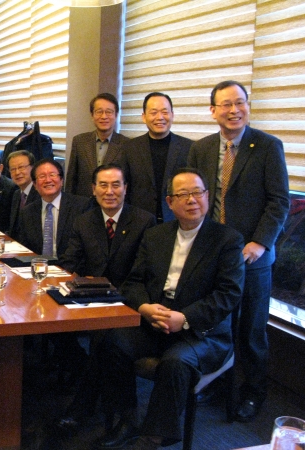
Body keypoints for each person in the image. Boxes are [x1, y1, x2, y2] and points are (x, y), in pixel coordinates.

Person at [70, 168, 245, 450]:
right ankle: (127, 419)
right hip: (157, 320)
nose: (191, 200)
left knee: (175, 362)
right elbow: (134, 281)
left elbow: (228, 295)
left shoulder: (227, 240)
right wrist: (144, 307)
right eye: (182, 194)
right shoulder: (157, 236)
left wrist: (185, 318)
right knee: (111, 340)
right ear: (170, 201)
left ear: (207, 196)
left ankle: (153, 438)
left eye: (197, 192)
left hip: (202, 332)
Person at [188, 80, 290, 422]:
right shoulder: (200, 149)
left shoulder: (267, 146)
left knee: (251, 330)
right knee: (217, 326)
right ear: (213, 110)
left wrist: (260, 243)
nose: (234, 110)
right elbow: (196, 197)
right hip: (213, 253)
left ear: (247, 105)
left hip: (253, 257)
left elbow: (279, 202)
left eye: (240, 103)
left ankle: (253, 392)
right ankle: (220, 383)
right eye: (226, 105)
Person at [59, 164, 156, 287]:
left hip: (128, 294)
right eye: (103, 185)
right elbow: (70, 261)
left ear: (125, 188)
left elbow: (143, 270)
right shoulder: (83, 222)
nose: (109, 192)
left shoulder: (144, 222)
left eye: (116, 185)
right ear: (94, 189)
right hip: (91, 291)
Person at [116, 92, 193, 223]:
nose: (160, 117)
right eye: (153, 113)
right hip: (138, 221)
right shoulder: (129, 148)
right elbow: (124, 187)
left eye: (165, 112)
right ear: (144, 117)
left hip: (177, 220)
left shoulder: (189, 147)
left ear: (172, 115)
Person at [18, 159, 91, 259]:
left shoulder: (81, 206)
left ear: (61, 180)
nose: (48, 180)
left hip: (71, 269)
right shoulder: (27, 212)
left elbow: (86, 249)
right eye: (42, 176)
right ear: (34, 184)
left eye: (52, 175)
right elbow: (25, 250)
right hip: (38, 268)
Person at [65, 93, 129, 198]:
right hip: (83, 206)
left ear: (116, 115)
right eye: (99, 112)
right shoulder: (79, 141)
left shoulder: (126, 144)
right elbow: (72, 179)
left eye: (109, 112)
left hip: (112, 204)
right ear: (92, 115)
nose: (104, 116)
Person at [6, 150, 39, 241]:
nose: (17, 173)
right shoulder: (17, 194)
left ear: (33, 168)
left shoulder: (40, 194)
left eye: (21, 167)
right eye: (13, 169)